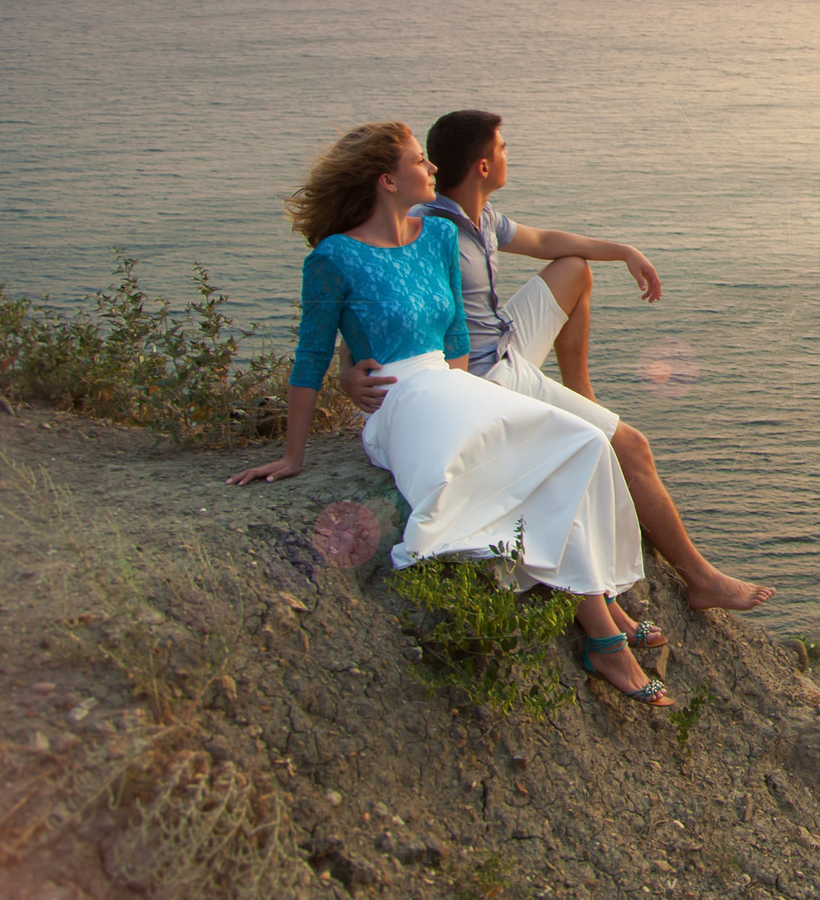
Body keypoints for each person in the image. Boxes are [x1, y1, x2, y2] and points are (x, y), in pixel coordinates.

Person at [230, 122, 676, 707]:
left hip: (451, 385)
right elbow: (312, 356)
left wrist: (475, 402)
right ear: (389, 180)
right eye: (420, 160)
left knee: (583, 442)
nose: (432, 168)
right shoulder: (334, 258)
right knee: (538, 456)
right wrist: (293, 455)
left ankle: (600, 596)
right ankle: (604, 636)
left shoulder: (437, 239)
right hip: (400, 405)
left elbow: (456, 338)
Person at [339, 109, 775, 614]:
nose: (508, 156)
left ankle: (581, 395)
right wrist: (349, 369)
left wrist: (624, 251)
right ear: (482, 166)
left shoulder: (480, 218)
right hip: (483, 377)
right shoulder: (426, 230)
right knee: (631, 448)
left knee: (572, 268)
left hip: (503, 340)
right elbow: (372, 301)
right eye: (502, 149)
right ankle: (701, 579)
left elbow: (546, 243)